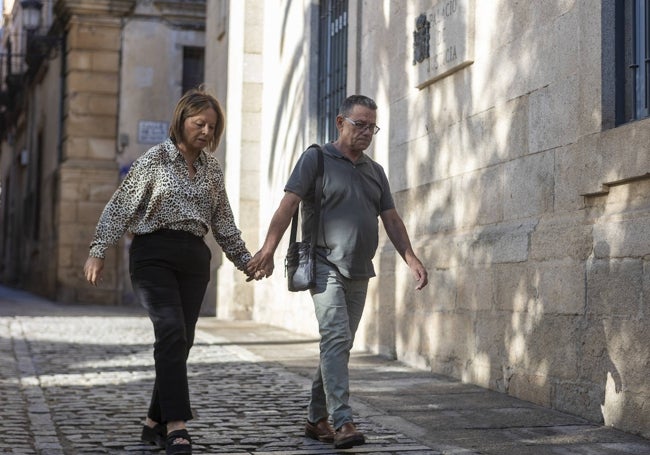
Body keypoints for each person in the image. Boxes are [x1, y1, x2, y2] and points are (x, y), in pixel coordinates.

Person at [246, 94, 428, 449]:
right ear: (340, 122)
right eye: (360, 124)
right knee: (335, 338)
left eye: (372, 126)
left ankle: (316, 419)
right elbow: (288, 205)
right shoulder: (316, 158)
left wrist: (411, 257)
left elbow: (391, 218)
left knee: (339, 345)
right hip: (325, 263)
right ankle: (343, 421)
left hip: (361, 270)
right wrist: (268, 249)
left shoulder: (375, 171)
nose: (367, 132)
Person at [84, 86, 258, 455]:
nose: (207, 132)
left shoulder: (212, 169)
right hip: (153, 254)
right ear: (181, 121)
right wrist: (98, 250)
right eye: (200, 124)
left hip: (194, 258)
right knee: (170, 330)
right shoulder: (154, 160)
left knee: (180, 341)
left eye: (212, 127)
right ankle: (176, 424)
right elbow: (120, 206)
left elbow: (223, 222)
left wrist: (245, 260)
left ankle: (151, 422)